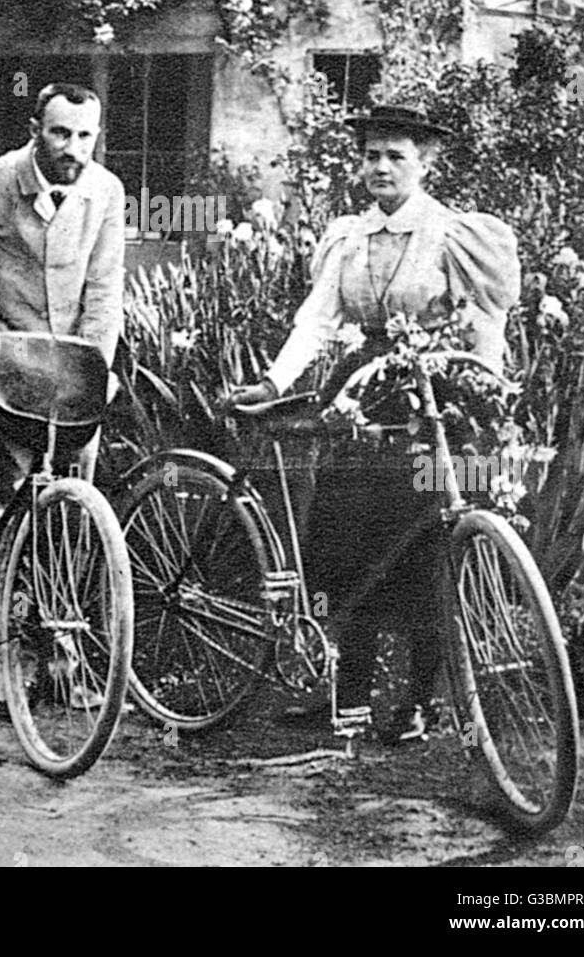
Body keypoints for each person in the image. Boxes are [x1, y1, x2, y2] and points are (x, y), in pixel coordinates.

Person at [230, 102, 521, 739]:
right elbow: (317, 319)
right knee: (344, 544)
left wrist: (484, 389)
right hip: (364, 398)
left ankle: (416, 703)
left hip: (431, 402)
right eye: (372, 156)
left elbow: (485, 322)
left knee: (424, 547)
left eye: (396, 156)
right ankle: (349, 696)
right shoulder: (349, 237)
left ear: (425, 162)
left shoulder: (452, 236)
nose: (382, 168)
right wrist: (276, 381)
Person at [0, 82, 126, 713]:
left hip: (69, 373)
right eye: (61, 133)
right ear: (35, 128)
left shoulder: (105, 192)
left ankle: (64, 663)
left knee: (71, 515)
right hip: (3, 365)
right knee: (2, 514)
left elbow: (104, 287)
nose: (74, 148)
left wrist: (100, 365)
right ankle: (3, 661)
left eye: (86, 135)